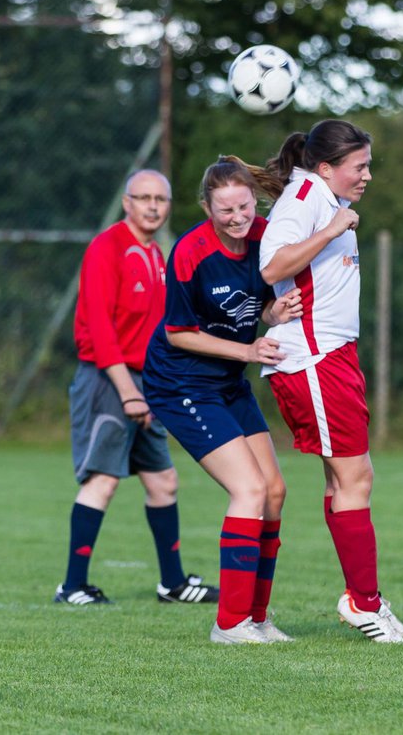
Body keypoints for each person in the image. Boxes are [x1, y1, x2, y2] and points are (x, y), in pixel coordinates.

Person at [257, 119, 403, 644]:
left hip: (333, 355)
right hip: (312, 358)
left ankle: (363, 596)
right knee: (356, 480)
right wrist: (330, 230)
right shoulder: (306, 197)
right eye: (359, 165)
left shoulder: (320, 196)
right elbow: (272, 263)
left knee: (348, 478)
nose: (368, 174)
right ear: (326, 168)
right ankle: (362, 603)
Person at [142, 156, 303, 644]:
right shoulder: (190, 253)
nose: (237, 218)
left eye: (244, 206)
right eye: (225, 210)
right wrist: (250, 348)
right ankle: (228, 623)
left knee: (274, 492)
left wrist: (273, 316)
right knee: (249, 491)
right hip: (181, 383)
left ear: (255, 200)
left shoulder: (265, 237)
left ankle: (256, 618)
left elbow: (263, 305)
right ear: (207, 208)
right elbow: (178, 334)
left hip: (228, 381)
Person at [52, 168, 218, 607]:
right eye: (142, 198)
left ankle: (173, 583)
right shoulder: (107, 247)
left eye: (160, 199)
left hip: (148, 384)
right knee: (103, 480)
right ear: (126, 203)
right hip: (109, 380)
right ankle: (71, 586)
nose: (151, 206)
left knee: (163, 481)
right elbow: (100, 329)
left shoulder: (158, 253)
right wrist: (128, 391)